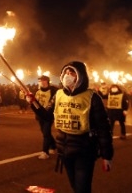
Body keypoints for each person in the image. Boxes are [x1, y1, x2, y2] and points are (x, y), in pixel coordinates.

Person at [26, 61, 113, 193]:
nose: (68, 75)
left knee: (82, 189)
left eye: (71, 72)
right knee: (75, 186)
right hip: (64, 150)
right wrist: (33, 103)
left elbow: (103, 128)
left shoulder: (92, 97)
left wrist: (107, 155)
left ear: (80, 76)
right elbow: (47, 116)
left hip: (84, 150)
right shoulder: (59, 95)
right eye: (66, 72)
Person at [33, 75, 58, 159]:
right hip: (40, 115)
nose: (41, 82)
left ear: (47, 81)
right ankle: (54, 146)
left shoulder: (53, 91)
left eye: (43, 80)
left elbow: (53, 103)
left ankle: (45, 152)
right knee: (44, 132)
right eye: (40, 81)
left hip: (48, 115)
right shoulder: (38, 91)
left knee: (46, 133)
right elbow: (35, 103)